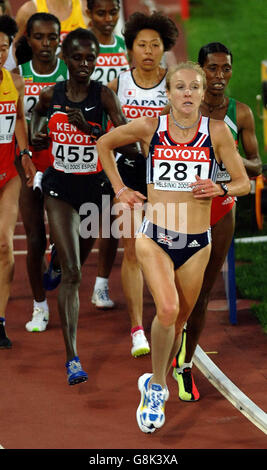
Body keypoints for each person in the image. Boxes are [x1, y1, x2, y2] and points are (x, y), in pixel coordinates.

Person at [96, 61, 250, 432]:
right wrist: (120, 189)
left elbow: (245, 182)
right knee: (166, 308)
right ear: (168, 93)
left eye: (193, 87)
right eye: (179, 87)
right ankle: (158, 388)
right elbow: (104, 143)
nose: (187, 93)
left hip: (197, 242)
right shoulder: (152, 127)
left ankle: (153, 380)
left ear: (202, 93)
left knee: (179, 320)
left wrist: (222, 188)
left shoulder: (216, 132)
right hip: (156, 237)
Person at [30, 27, 140, 385]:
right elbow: (36, 116)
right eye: (77, 58)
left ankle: (57, 258)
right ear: (65, 58)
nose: (84, 64)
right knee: (76, 275)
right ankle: (72, 358)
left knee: (74, 256)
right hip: (60, 190)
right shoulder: (53, 95)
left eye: (90, 58)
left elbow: (131, 149)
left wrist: (94, 131)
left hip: (95, 191)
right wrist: (38, 135)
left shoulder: (104, 96)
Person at [172, 43, 262, 402]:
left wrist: (235, 160)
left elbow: (257, 165)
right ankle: (169, 342)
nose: (220, 77)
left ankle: (184, 364)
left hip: (222, 208)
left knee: (204, 293)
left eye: (226, 69)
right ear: (201, 70)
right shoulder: (183, 108)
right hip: (184, 208)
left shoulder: (240, 114)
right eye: (212, 69)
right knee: (180, 294)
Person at [107, 11, 178, 357]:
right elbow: (106, 131)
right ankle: (137, 327)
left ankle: (169, 315)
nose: (148, 51)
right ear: (130, 49)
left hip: (167, 175)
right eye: (141, 45)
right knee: (132, 249)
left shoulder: (175, 83)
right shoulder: (118, 85)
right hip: (130, 171)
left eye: (155, 45)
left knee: (168, 248)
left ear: (165, 48)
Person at [14, 13, 68, 333]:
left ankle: (58, 261)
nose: (46, 44)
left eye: (52, 38)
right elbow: (18, 119)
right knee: (35, 239)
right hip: (30, 163)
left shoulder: (70, 72)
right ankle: (39, 306)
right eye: (39, 37)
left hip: (64, 164)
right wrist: (24, 156)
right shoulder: (18, 77)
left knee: (64, 236)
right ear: (28, 39)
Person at [85, 0, 130, 309]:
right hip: (81, 139)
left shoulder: (125, 46)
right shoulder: (80, 43)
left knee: (111, 216)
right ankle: (61, 254)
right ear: (89, 13)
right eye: (100, 12)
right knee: (84, 217)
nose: (108, 19)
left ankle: (101, 285)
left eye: (113, 12)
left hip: (114, 139)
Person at [0, 15, 36, 349]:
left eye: (2, 47)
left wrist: (24, 153)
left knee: (4, 245)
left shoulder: (15, 80)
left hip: (7, 173)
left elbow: (20, 119)